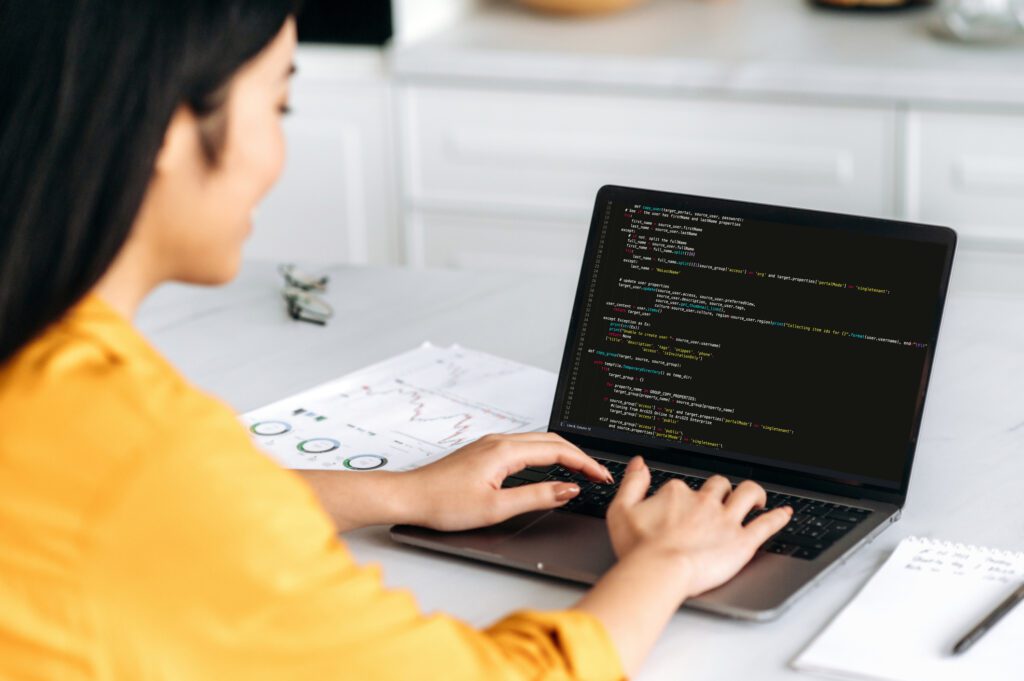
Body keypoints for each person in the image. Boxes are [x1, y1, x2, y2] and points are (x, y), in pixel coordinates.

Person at [0, 2, 793, 679]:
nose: (280, 151)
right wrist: (668, 564)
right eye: (278, 106)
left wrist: (400, 494)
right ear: (171, 131)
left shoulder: (63, 400)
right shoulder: (143, 453)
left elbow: (159, 513)